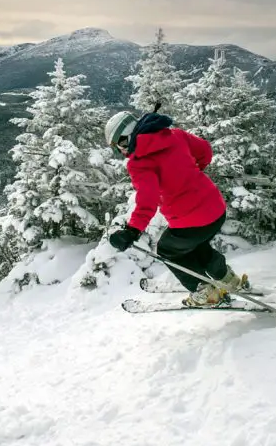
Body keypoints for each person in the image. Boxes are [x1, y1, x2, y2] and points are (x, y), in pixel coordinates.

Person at [103, 109, 249, 307]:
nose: (121, 151)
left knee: (167, 249)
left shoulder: (140, 163)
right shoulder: (175, 136)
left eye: (119, 144)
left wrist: (132, 231)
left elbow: (148, 200)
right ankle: (225, 277)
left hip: (192, 219)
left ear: (127, 136)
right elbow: (205, 150)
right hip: (216, 209)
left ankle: (204, 292)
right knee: (194, 246)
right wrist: (191, 173)